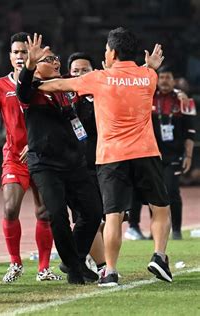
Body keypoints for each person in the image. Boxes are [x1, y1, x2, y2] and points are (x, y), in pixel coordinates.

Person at [34, 27, 172, 286]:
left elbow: (58, 86)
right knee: (160, 207)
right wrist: (149, 66)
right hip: (146, 151)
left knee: (113, 216)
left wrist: (31, 82)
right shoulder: (149, 77)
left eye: (107, 50)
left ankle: (109, 270)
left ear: (113, 52)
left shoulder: (99, 78)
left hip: (111, 156)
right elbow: (142, 74)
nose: (105, 54)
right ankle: (159, 256)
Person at [16, 34, 102, 285]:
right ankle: (75, 269)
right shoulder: (30, 90)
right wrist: (29, 66)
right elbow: (22, 90)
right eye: (49, 59)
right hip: (45, 163)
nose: (56, 62)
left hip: (74, 162)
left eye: (56, 59)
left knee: (93, 211)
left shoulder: (65, 87)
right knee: (56, 213)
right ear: (36, 64)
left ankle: (72, 258)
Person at [0, 32, 61, 283]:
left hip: (43, 156)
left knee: (44, 213)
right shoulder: (0, 85)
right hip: (15, 157)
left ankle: (43, 268)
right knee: (10, 208)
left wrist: (39, 144)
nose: (20, 56)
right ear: (9, 56)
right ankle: (15, 263)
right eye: (16, 52)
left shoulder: (43, 83)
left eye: (24, 52)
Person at [127, 66, 196, 241]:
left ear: (174, 81)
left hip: (173, 156)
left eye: (168, 77)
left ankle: (177, 231)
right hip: (150, 154)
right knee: (152, 192)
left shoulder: (184, 101)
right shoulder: (148, 97)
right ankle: (153, 231)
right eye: (162, 77)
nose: (164, 81)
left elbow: (190, 132)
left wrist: (188, 156)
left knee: (172, 191)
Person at [65, 52, 106, 274]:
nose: (80, 75)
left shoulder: (103, 95)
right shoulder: (64, 99)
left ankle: (86, 259)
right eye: (75, 71)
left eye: (85, 70)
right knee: (88, 216)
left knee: (105, 217)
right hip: (76, 168)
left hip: (105, 163)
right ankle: (99, 265)